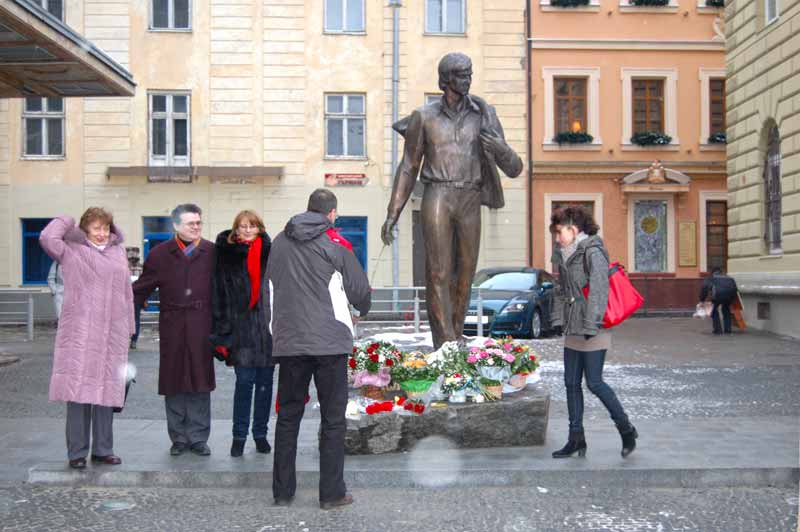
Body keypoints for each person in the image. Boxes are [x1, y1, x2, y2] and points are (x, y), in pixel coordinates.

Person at [381, 52, 523, 349]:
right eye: (462, 74)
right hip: (437, 193)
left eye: (470, 73)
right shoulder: (424, 117)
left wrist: (499, 147)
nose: (468, 79)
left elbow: (514, 168)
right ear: (446, 79)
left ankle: (456, 336)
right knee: (438, 271)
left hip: (470, 195)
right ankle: (444, 343)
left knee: (466, 273)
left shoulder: (484, 114)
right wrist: (393, 212)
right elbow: (408, 167)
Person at [268, 189, 371, 509]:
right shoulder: (336, 243)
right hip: (330, 343)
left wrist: (276, 331)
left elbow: (269, 287)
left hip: (290, 343)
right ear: (331, 213)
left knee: (288, 417)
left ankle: (282, 492)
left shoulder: (279, 242)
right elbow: (360, 291)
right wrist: (361, 307)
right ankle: (331, 493)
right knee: (333, 419)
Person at [39, 208, 134, 469]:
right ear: (85, 230)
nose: (102, 233)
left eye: (106, 228)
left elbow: (126, 291)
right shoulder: (71, 250)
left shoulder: (118, 252)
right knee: (78, 393)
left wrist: (129, 326)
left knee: (106, 393)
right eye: (96, 228)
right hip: (81, 331)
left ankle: (103, 449)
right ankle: (77, 452)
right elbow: (47, 238)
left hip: (112, 331)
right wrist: (66, 219)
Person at [549, 206, 638, 459]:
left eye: (560, 232)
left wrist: (591, 324)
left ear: (573, 229)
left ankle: (626, 430)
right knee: (570, 383)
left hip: (593, 325)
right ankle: (576, 438)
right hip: (573, 326)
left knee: (595, 383)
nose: (557, 237)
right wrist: (558, 319)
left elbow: (600, 290)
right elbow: (560, 290)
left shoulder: (593, 251)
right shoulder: (563, 254)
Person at [133, 204, 216, 457]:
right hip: (173, 326)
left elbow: (225, 290)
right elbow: (141, 289)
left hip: (202, 325)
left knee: (200, 381)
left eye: (198, 223)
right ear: (176, 226)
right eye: (191, 223)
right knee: (174, 381)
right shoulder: (160, 255)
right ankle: (178, 438)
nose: (196, 227)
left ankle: (199, 438)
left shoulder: (212, 252)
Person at [210, 210, 274, 458]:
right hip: (241, 330)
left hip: (266, 330)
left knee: (265, 386)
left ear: (260, 228)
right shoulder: (226, 254)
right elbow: (218, 292)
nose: (247, 230)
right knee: (244, 384)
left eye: (252, 226)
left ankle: (260, 434)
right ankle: (239, 436)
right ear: (235, 229)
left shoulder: (270, 252)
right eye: (242, 226)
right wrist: (222, 332)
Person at [700, 267, 738, 335]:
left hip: (717, 296)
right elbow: (735, 289)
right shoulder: (729, 278)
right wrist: (733, 299)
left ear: (712, 272)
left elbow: (704, 289)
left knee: (714, 310)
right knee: (726, 310)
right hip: (729, 296)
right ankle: (728, 330)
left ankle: (718, 330)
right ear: (721, 272)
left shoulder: (710, 278)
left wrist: (702, 300)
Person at [127, 247, 143, 350]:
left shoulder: (123, 265)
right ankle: (133, 340)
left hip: (129, 296)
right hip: (136, 295)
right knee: (135, 318)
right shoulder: (141, 267)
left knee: (129, 318)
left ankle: (132, 340)